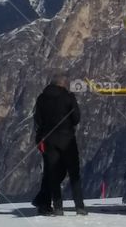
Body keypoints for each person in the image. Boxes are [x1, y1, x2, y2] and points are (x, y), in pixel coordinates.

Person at [32, 72, 87, 216]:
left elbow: (38, 119)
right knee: (74, 172)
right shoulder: (68, 97)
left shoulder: (41, 98)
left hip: (48, 139)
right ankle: (79, 206)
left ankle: (57, 207)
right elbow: (76, 118)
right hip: (67, 139)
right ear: (63, 84)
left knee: (52, 173)